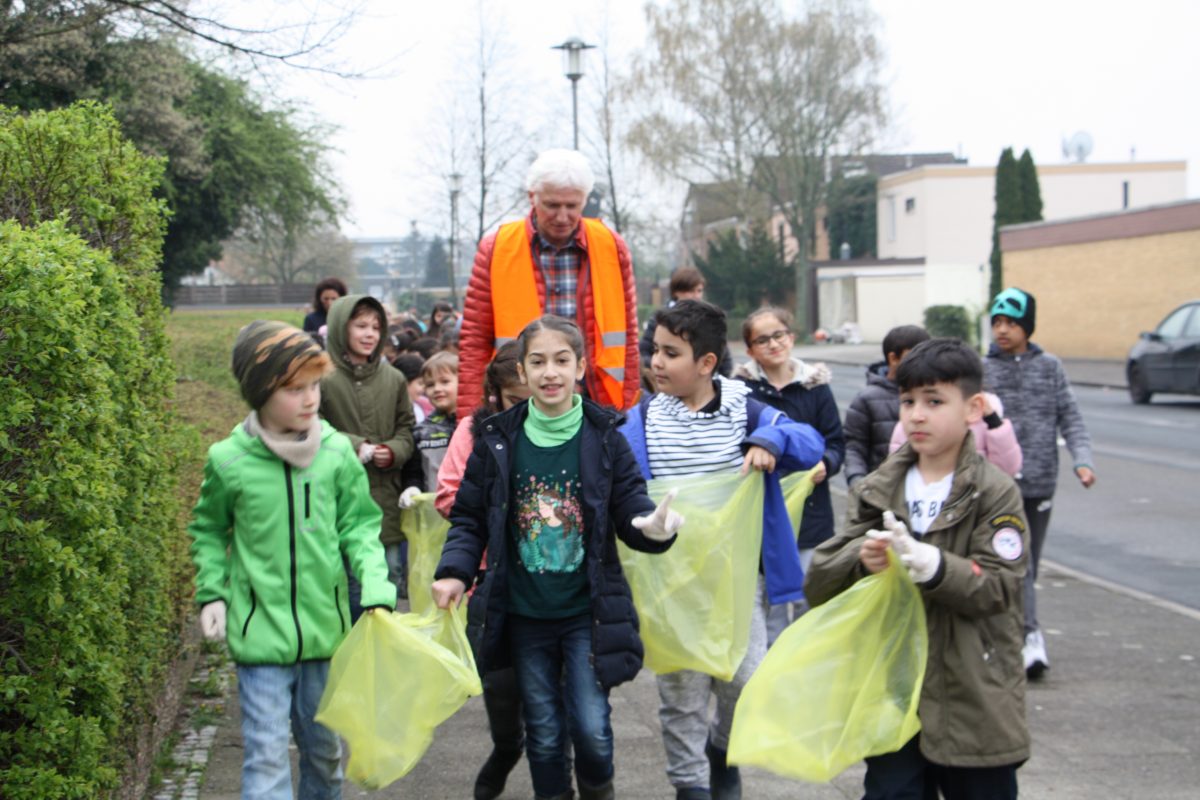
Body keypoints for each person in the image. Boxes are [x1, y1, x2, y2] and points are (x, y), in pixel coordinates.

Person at [432, 316, 680, 800]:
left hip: (586, 613)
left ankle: (598, 790)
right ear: (521, 372)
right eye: (538, 361)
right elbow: (470, 518)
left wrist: (653, 529)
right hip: (524, 616)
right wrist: (455, 572)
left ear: (580, 367)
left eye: (562, 360)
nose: (550, 372)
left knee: (591, 730)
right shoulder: (497, 439)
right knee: (544, 734)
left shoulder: (605, 436)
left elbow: (632, 507)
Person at [806, 337, 1030, 800]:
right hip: (894, 689)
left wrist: (935, 566)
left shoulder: (995, 491)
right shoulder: (878, 487)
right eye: (908, 401)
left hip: (975, 692)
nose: (917, 415)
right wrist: (862, 560)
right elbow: (821, 580)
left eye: (934, 401)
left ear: (973, 409)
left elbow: (1001, 586)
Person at [189, 320, 396, 799]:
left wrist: (377, 587)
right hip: (259, 638)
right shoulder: (228, 461)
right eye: (293, 389)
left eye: (314, 386)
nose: (309, 399)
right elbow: (209, 529)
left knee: (323, 757)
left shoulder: (336, 455)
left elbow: (360, 527)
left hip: (325, 635)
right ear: (260, 391)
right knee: (265, 757)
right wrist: (212, 593)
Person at [628, 300, 825, 800]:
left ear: (707, 363)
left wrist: (770, 441)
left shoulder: (747, 409)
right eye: (655, 350)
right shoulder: (643, 418)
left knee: (746, 680)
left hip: (735, 584)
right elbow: (615, 475)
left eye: (671, 353)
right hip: (670, 586)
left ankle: (722, 748)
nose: (656, 362)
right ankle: (691, 784)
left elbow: (809, 442)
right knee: (681, 695)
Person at [457, 149, 641, 420]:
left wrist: (629, 411)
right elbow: (474, 342)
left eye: (572, 206)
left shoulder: (611, 247)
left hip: (598, 403)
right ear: (532, 197)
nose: (562, 216)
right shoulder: (496, 249)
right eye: (552, 205)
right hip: (520, 407)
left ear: (585, 200)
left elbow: (629, 339)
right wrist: (470, 421)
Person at [432, 342, 533, 800]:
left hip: (555, 583)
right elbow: (449, 496)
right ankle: (506, 749)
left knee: (561, 716)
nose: (525, 411)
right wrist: (502, 511)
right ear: (493, 395)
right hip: (493, 582)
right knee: (502, 690)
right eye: (514, 401)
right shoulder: (473, 432)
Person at [985, 287, 1095, 679]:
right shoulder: (983, 370)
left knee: (1029, 563)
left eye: (1011, 323)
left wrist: (1082, 460)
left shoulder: (1050, 367)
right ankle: (1028, 636)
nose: (1002, 330)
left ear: (1027, 327)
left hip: (1040, 481)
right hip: (998, 486)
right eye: (997, 322)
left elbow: (1070, 416)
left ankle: (1021, 636)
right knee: (1016, 562)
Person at [733, 306, 845, 644]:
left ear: (791, 338)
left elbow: (835, 442)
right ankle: (773, 669)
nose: (773, 344)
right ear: (750, 350)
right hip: (763, 514)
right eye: (762, 340)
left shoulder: (816, 387)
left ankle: (807, 665)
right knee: (772, 608)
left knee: (812, 598)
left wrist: (827, 463)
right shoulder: (742, 392)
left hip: (812, 514)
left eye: (778, 335)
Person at [320, 295, 416, 613]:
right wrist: (354, 445)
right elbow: (311, 426)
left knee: (390, 574)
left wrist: (393, 451)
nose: (370, 334)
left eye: (376, 327)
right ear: (340, 328)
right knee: (348, 582)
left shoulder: (394, 379)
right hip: (337, 498)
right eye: (361, 326)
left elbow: (407, 429)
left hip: (385, 496)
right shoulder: (322, 378)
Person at [843, 324, 931, 487]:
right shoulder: (867, 399)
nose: (923, 364)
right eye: (914, 358)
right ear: (893, 358)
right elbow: (854, 448)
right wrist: (857, 481)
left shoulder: (934, 397)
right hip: (881, 490)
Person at [890, 391, 1022, 477]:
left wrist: (992, 419)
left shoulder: (984, 416)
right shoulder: (912, 420)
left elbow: (1007, 470)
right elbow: (896, 471)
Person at [639, 265, 732, 376]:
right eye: (691, 291)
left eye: (699, 291)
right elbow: (644, 352)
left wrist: (715, 381)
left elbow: (724, 358)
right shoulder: (660, 319)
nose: (696, 296)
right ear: (676, 291)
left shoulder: (708, 318)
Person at [399, 352, 459, 505]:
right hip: (433, 510)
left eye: (445, 382)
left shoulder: (479, 424)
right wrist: (412, 488)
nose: (437, 389)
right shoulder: (422, 430)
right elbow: (413, 472)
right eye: (430, 385)